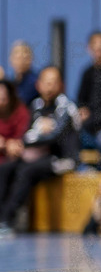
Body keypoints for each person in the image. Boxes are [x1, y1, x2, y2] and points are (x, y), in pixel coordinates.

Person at [0, 67, 79, 237]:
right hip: (40, 156)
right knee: (6, 168)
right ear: (39, 84)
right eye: (46, 82)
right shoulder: (36, 106)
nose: (49, 87)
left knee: (27, 171)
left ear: (60, 85)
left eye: (53, 82)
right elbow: (27, 135)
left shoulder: (67, 107)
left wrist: (37, 135)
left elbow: (54, 137)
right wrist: (34, 135)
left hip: (62, 159)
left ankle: (7, 221)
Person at [0, 80, 29, 164]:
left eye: (3, 99)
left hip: (12, 158)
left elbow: (20, 139)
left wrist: (5, 144)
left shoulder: (21, 112)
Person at [8, 41, 39, 106]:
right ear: (10, 60)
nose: (20, 62)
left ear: (30, 59)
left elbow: (19, 102)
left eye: (24, 58)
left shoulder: (35, 82)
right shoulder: (13, 82)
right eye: (17, 58)